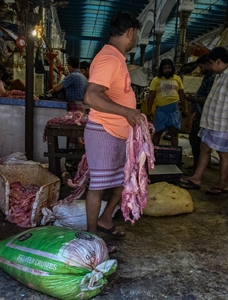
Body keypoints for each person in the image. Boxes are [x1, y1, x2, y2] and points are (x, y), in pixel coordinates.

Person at [83, 11, 142, 253]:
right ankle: (92, 238)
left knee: (122, 181)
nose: (135, 40)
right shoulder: (109, 58)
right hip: (104, 131)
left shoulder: (116, 58)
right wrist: (126, 113)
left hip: (118, 134)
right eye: (136, 35)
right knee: (97, 186)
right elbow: (91, 96)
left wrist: (132, 117)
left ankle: (106, 219)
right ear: (131, 32)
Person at [179, 47, 228, 195]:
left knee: (224, 153)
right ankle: (196, 178)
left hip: (224, 124)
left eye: (211, 63)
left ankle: (222, 184)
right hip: (211, 122)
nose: (209, 66)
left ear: (218, 61)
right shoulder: (219, 75)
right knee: (204, 147)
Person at [185, 54, 215, 175]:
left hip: (204, 115)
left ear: (208, 64)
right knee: (197, 141)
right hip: (200, 113)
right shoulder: (207, 77)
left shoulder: (212, 78)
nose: (201, 70)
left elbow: (208, 98)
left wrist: (193, 99)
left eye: (202, 67)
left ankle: (197, 169)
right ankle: (197, 166)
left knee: (196, 140)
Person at [147, 59, 187, 148]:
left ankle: (175, 154)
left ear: (172, 68)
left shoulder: (177, 79)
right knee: (158, 132)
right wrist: (149, 111)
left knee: (174, 132)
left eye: (169, 68)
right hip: (161, 110)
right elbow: (151, 96)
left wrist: (185, 108)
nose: (167, 70)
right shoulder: (156, 80)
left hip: (174, 109)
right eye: (165, 68)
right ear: (161, 69)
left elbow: (181, 94)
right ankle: (153, 154)